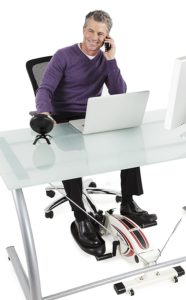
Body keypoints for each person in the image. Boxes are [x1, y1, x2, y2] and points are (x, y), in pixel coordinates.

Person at [35, 10, 157, 256]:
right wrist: (45, 114)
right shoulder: (63, 56)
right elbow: (45, 89)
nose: (94, 36)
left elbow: (119, 93)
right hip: (63, 118)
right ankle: (81, 217)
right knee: (71, 159)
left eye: (100, 33)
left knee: (129, 141)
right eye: (90, 30)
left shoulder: (105, 60)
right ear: (83, 29)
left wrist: (111, 60)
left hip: (94, 116)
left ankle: (128, 203)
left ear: (107, 37)